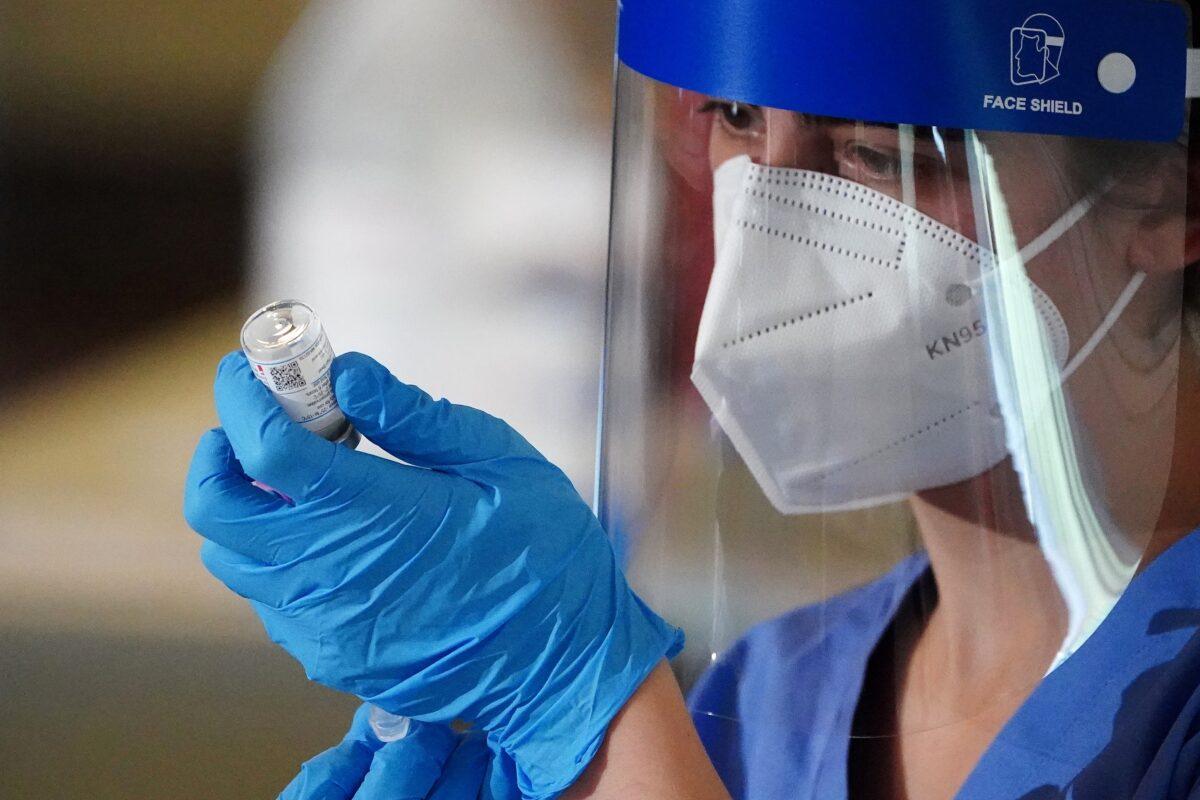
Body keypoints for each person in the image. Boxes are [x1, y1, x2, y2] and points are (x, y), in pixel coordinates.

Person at [184, 2, 1200, 798]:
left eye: (881, 145)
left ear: (1166, 197)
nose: (770, 222)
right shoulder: (772, 698)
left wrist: (588, 710)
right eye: (739, 117)